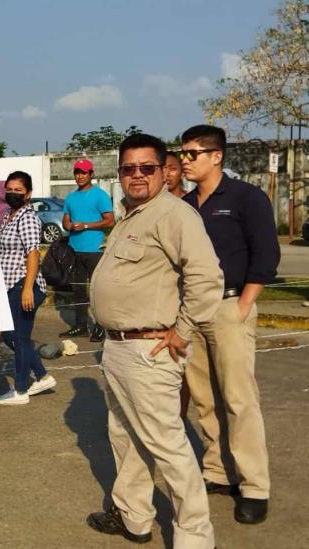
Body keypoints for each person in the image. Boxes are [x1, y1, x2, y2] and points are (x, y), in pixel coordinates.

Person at [85, 134, 223, 548]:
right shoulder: (132, 216)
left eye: (147, 167)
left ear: (165, 171)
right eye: (129, 168)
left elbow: (206, 278)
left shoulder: (174, 214)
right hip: (119, 348)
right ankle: (134, 516)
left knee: (169, 448)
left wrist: (182, 331)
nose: (138, 175)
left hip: (149, 350)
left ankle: (194, 537)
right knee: (125, 436)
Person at [181, 124, 280, 525]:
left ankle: (255, 486)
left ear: (216, 156)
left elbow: (266, 253)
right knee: (205, 399)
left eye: (192, 154)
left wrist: (244, 304)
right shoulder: (185, 204)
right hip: (192, 313)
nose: (184, 161)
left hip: (230, 308)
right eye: (182, 153)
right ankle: (220, 471)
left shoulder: (246, 197)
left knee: (240, 399)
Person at [0, 171, 57, 405]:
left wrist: (28, 288)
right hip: (10, 284)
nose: (12, 193)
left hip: (23, 285)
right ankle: (41, 375)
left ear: (28, 194)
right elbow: (7, 247)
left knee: (19, 337)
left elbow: (32, 254)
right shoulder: (9, 214)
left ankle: (20, 390)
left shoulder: (28, 218)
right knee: (13, 336)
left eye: (18, 190)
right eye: (9, 189)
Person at [59, 158, 114, 342]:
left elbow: (110, 221)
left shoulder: (100, 195)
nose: (79, 176)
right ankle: (81, 326)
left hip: (94, 250)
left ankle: (100, 327)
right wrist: (68, 225)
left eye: (83, 172)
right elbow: (66, 220)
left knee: (97, 290)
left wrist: (86, 226)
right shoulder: (71, 197)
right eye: (77, 172)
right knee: (78, 290)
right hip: (75, 250)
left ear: (92, 174)